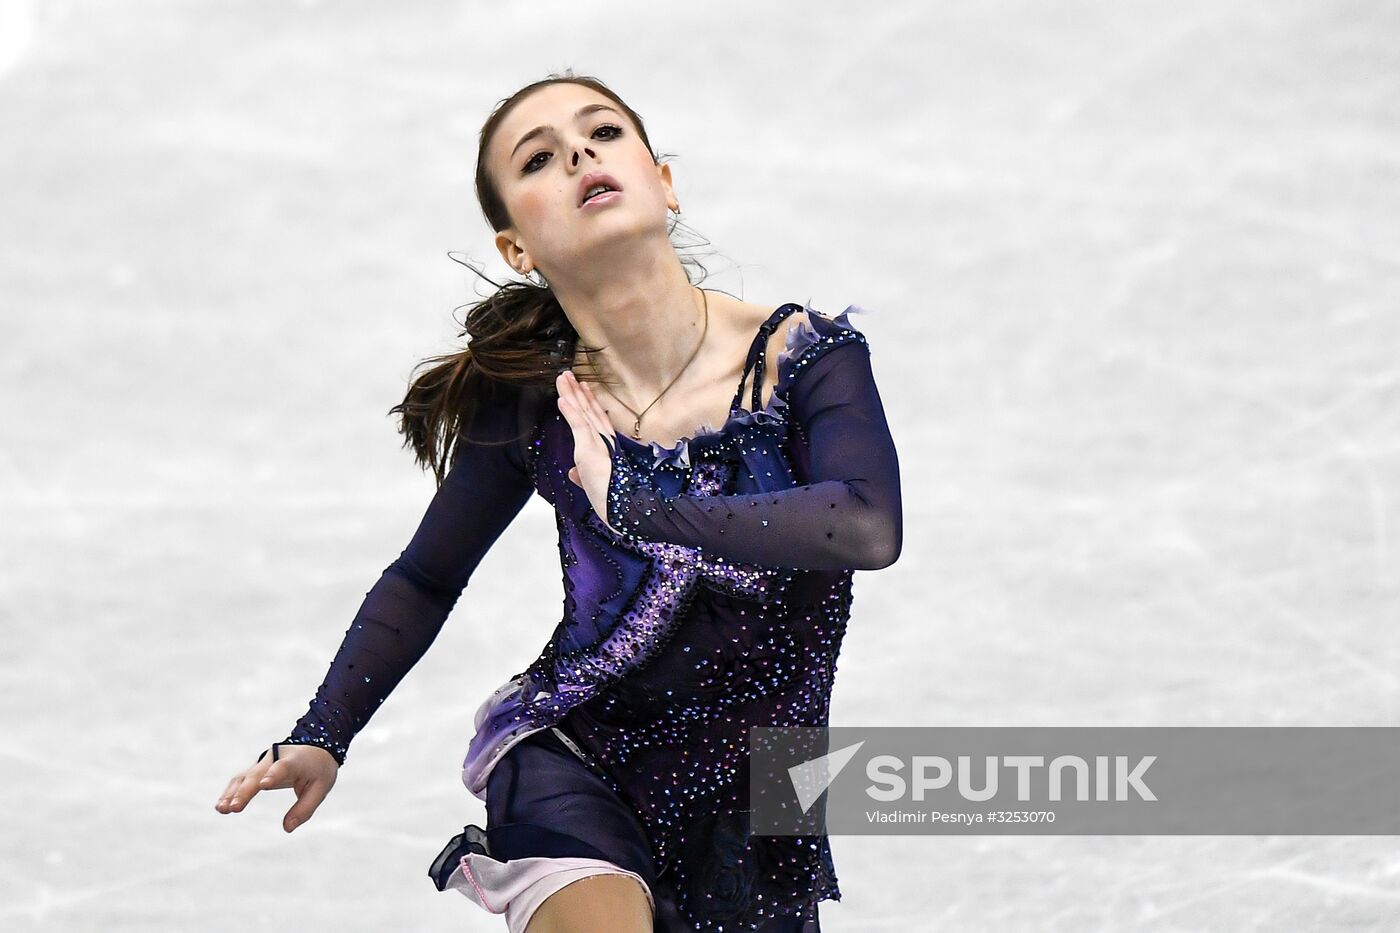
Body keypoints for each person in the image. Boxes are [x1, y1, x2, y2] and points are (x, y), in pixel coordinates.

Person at [214, 70, 903, 933]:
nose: (578, 152)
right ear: (517, 249)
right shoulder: (538, 400)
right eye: (538, 158)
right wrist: (324, 729)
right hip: (577, 758)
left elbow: (868, 524)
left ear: (665, 179)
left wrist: (639, 505)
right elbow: (428, 575)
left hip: (765, 804)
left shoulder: (803, 359)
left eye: (603, 133)